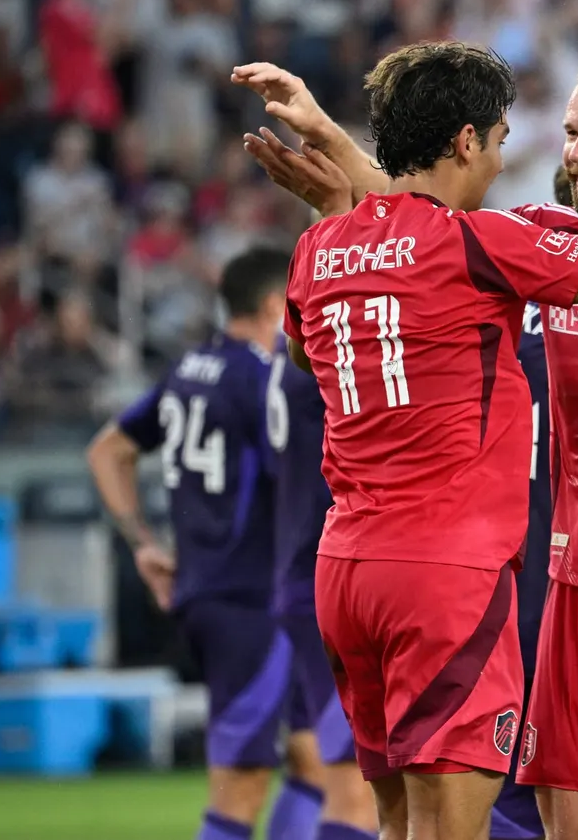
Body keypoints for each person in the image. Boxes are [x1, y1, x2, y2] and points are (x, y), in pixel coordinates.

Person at [235, 7, 578, 837]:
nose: (576, 151)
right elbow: (420, 219)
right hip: (572, 587)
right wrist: (341, 145)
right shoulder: (537, 242)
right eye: (569, 131)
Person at [87, 248, 298, 840]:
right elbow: (301, 477)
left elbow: (107, 451)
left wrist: (142, 543)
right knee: (242, 784)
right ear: (272, 306)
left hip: (202, 590)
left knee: (314, 761)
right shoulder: (262, 381)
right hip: (250, 599)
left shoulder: (189, 370)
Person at [266, 332, 378, 840]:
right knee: (354, 787)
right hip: (331, 570)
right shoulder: (338, 336)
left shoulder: (286, 351)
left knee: (322, 764)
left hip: (302, 572)